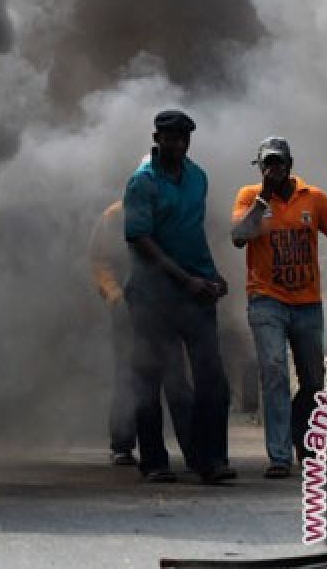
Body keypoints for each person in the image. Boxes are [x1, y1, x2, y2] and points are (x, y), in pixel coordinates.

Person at [230, 137, 327, 479]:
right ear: (260, 168)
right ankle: (279, 455)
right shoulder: (249, 197)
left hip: (307, 303)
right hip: (265, 299)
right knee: (274, 370)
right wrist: (263, 197)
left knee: (313, 379)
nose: (273, 169)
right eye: (267, 164)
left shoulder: (315, 199)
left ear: (290, 165)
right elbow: (238, 236)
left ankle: (301, 437)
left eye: (278, 163)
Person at [123, 109, 233, 484]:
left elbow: (193, 233)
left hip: (195, 292)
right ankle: (153, 460)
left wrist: (212, 273)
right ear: (157, 139)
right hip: (153, 296)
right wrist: (185, 280)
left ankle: (211, 459)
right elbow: (140, 238)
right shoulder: (142, 182)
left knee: (212, 379)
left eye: (184, 138)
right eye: (171, 138)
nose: (178, 144)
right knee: (150, 377)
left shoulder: (198, 178)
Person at [88, 201, 195, 468]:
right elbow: (100, 260)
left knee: (175, 374)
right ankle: (122, 444)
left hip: (165, 305)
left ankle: (193, 448)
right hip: (129, 305)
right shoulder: (114, 216)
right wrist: (114, 295)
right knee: (128, 372)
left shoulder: (174, 210)